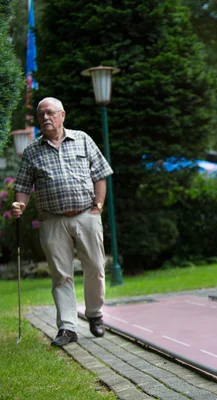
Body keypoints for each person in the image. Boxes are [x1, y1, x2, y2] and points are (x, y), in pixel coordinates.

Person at [11, 97, 113, 347]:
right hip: (51, 220)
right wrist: (19, 205)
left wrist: (98, 207)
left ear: (62, 115)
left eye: (50, 113)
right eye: (41, 115)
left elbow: (100, 174)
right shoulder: (32, 150)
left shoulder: (83, 139)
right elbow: (23, 186)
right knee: (61, 276)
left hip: (85, 215)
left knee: (95, 267)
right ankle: (67, 327)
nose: (45, 118)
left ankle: (95, 315)